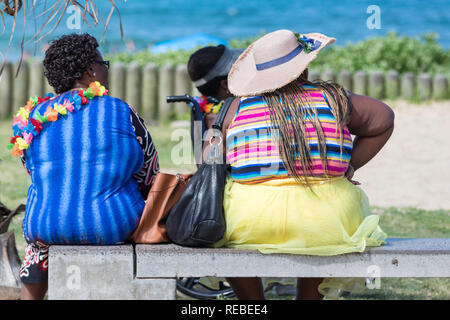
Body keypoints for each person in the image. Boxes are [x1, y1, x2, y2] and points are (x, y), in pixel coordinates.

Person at [206, 30, 394, 300]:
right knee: (323, 215)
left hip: (249, 220)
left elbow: (208, 158)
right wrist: (348, 166)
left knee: (227, 220)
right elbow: (384, 120)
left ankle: (252, 302)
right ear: (304, 66)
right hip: (328, 219)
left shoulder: (236, 107)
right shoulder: (333, 98)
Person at [8, 33, 159, 300]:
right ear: (91, 70)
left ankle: (28, 298)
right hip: (112, 225)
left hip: (44, 225)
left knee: (39, 241)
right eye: (104, 64)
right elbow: (150, 172)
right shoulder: (120, 111)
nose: (105, 70)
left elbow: (33, 171)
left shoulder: (34, 118)